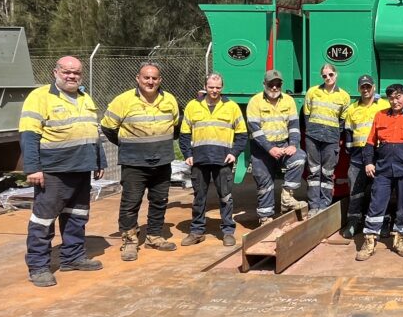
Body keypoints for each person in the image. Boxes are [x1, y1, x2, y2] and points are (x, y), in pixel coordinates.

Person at [19, 56, 107, 287]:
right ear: (55, 72)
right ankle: (38, 266)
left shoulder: (84, 97)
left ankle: (73, 257)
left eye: (76, 73)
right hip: (54, 171)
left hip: (81, 169)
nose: (71, 76)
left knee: (77, 216)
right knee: (43, 220)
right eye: (67, 72)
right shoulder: (39, 97)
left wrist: (100, 161)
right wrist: (33, 168)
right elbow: (29, 135)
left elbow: (93, 132)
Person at [101, 62, 181, 262]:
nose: (150, 81)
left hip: (162, 161)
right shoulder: (123, 101)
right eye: (146, 77)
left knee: (159, 201)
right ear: (138, 78)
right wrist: (128, 145)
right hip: (134, 163)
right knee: (131, 203)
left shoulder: (170, 100)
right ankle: (129, 241)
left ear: (160, 80)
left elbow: (176, 127)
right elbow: (108, 128)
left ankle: (154, 236)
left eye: (154, 78)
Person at [356, 84, 403, 261]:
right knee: (376, 204)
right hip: (383, 169)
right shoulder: (380, 115)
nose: (395, 101)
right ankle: (369, 241)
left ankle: (400, 240)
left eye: (398, 97)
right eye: (391, 98)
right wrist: (368, 162)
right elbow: (370, 143)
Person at [179, 73, 247, 247]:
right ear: (205, 86)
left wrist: (235, 153)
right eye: (211, 87)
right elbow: (184, 134)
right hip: (199, 161)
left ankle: (227, 231)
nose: (214, 90)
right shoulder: (192, 106)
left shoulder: (231, 107)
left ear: (222, 88)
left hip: (223, 160)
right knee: (199, 198)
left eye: (217, 87)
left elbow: (242, 134)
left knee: (225, 197)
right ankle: (196, 231)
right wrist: (188, 154)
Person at [246, 69, 307, 226]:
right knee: (264, 182)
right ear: (264, 84)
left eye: (278, 84)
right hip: (262, 149)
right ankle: (265, 218)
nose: (274, 88)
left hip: (283, 145)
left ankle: (287, 198)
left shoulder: (288, 101)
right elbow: (254, 129)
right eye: (271, 84)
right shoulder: (255, 102)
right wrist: (269, 148)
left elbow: (294, 125)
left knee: (299, 158)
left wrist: (293, 144)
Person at [341, 75, 388, 238]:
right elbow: (348, 132)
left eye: (368, 86)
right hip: (358, 156)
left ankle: (382, 223)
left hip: (379, 154)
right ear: (359, 89)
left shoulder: (384, 106)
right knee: (355, 191)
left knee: (381, 191)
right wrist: (350, 151)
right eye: (363, 87)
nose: (366, 89)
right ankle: (353, 222)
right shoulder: (352, 108)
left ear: (374, 87)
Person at [303, 64, 350, 212]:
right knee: (313, 171)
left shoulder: (344, 96)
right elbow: (306, 114)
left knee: (328, 173)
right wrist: (311, 131)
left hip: (331, 138)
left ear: (336, 75)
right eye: (324, 76)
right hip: (313, 137)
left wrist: (335, 134)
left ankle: (324, 205)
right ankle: (313, 206)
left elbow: (343, 120)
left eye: (330, 75)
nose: (328, 78)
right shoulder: (313, 92)